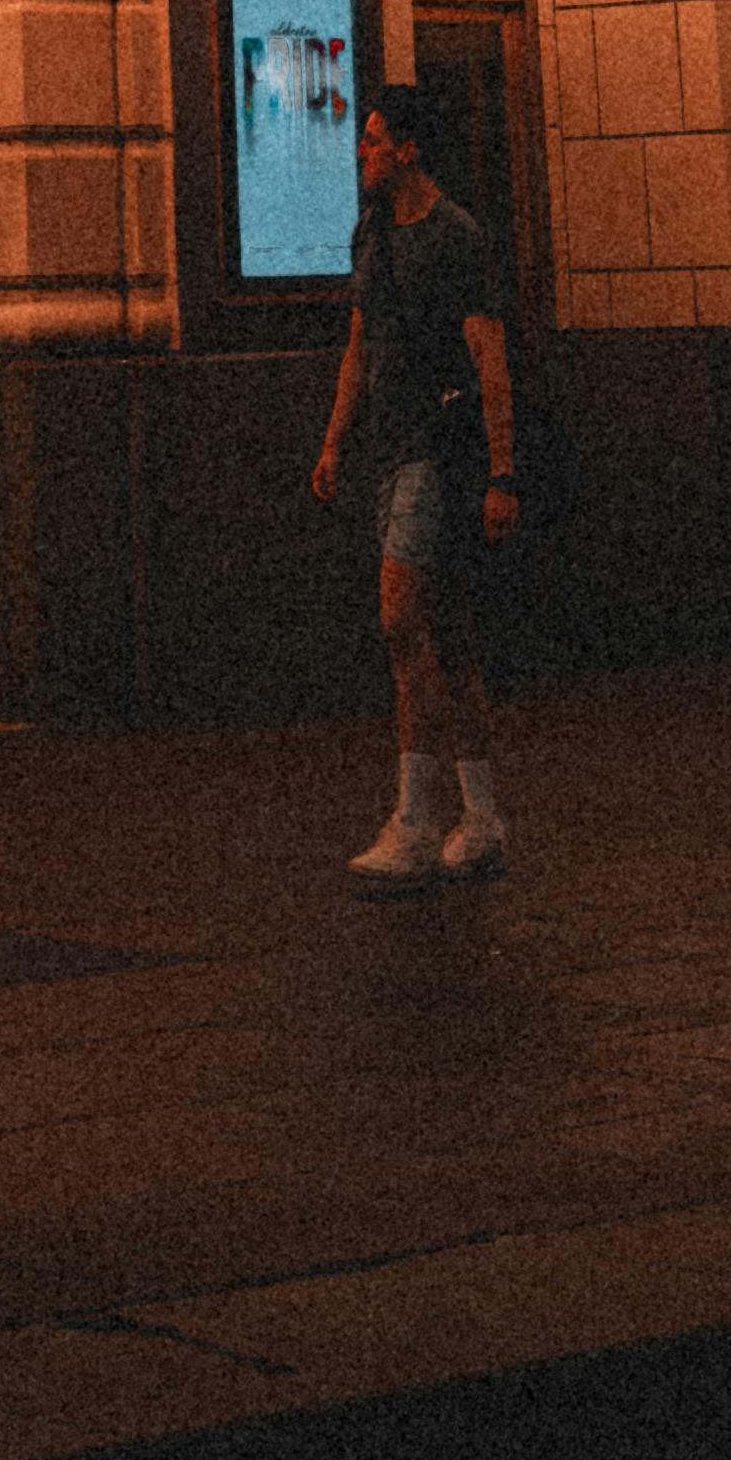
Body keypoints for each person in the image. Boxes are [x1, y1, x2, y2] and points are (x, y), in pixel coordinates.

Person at [305, 60, 521, 878]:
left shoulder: (455, 236)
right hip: (388, 449)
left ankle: (416, 822)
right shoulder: (371, 233)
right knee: (449, 638)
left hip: (437, 452)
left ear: (409, 150)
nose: (360, 154)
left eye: (372, 142)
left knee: (401, 624)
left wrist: (503, 473)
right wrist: (333, 440)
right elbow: (359, 346)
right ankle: (484, 816)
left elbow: (486, 350)